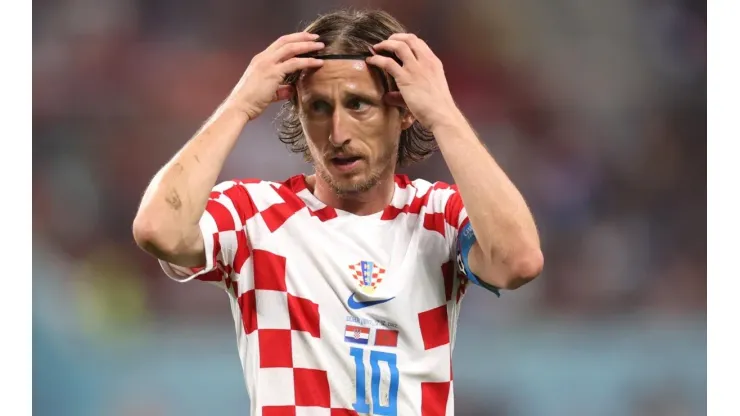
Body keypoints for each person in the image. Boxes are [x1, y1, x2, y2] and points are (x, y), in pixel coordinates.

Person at [132, 8, 543, 416]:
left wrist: (444, 114)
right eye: (318, 107)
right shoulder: (255, 215)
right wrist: (238, 105)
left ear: (404, 111)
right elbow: (158, 230)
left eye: (358, 104)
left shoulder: (438, 214)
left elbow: (518, 261)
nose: (338, 134)